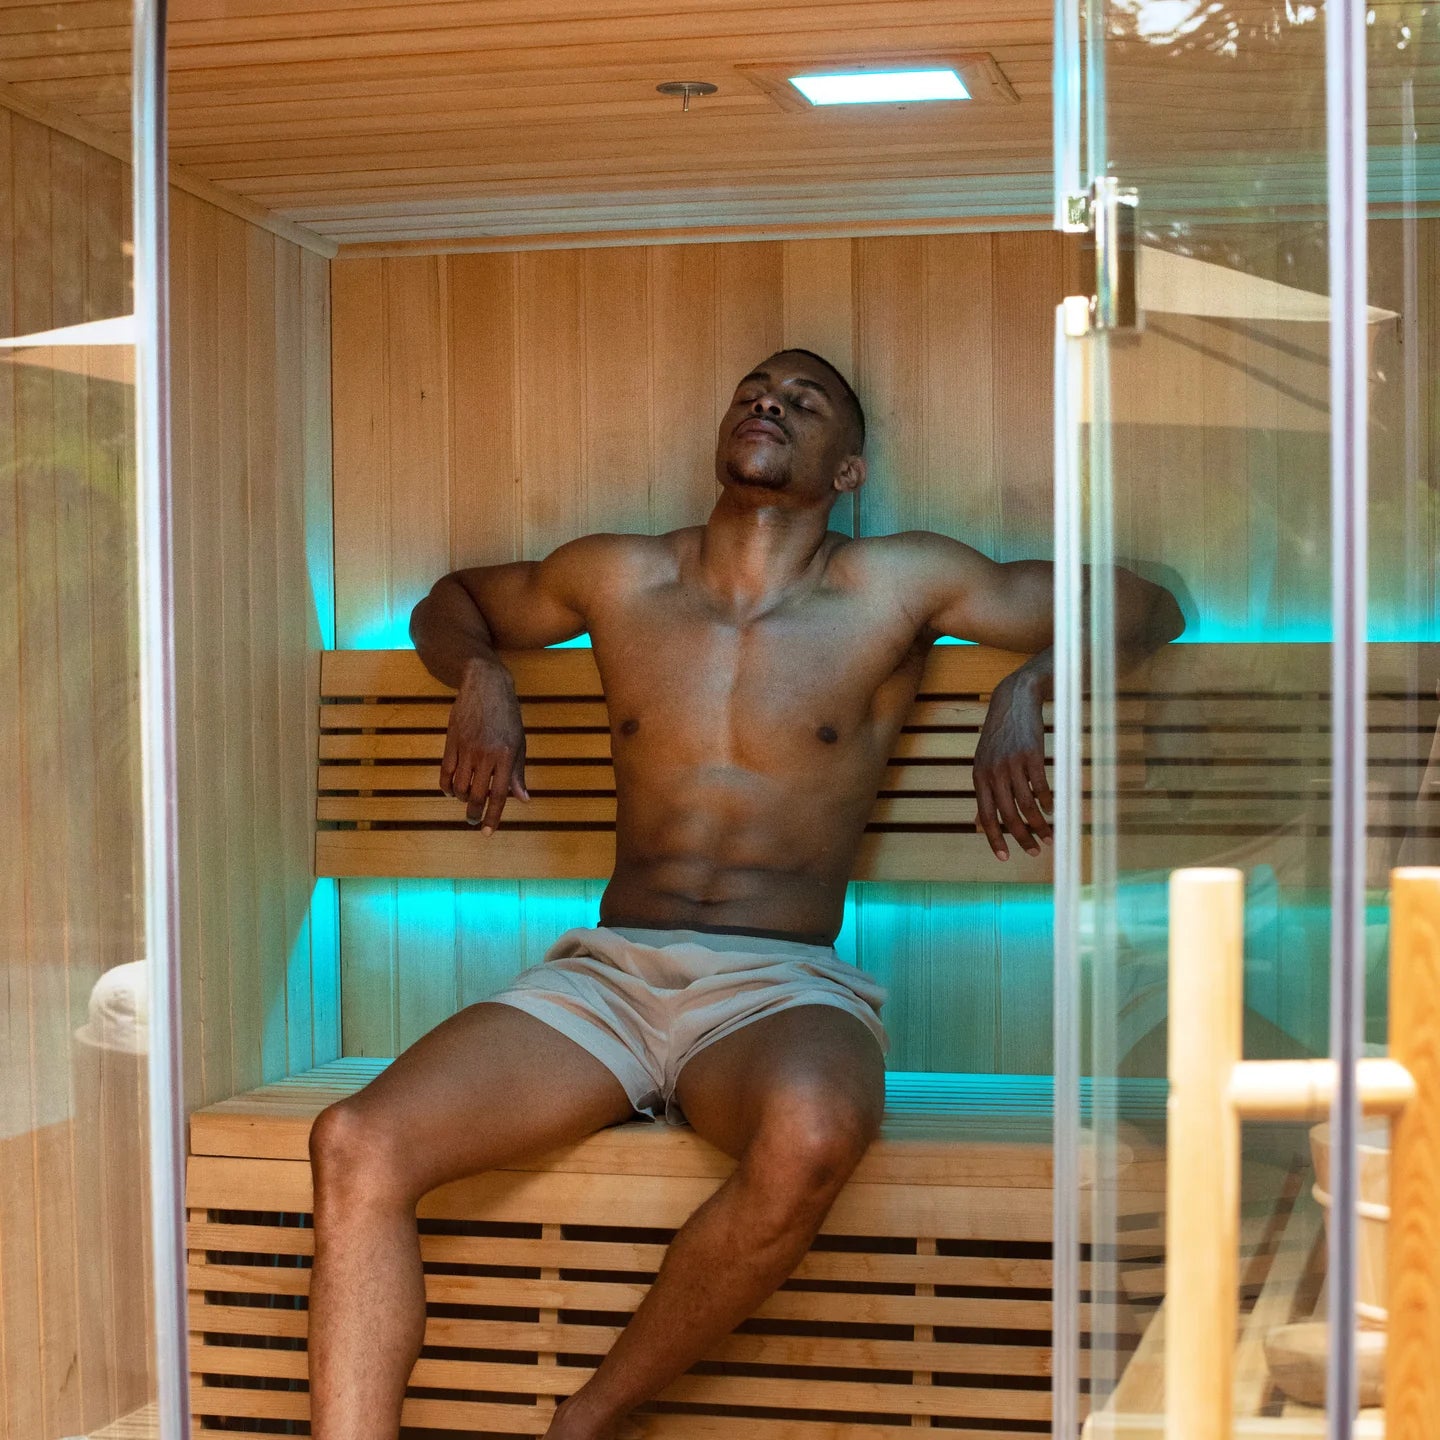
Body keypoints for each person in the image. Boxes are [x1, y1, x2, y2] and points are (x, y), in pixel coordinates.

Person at [306, 348, 1184, 1440]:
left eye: (805, 401)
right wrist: (481, 675)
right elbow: (455, 602)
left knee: (813, 1134)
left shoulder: (899, 584)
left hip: (776, 990)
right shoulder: (620, 577)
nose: (770, 402)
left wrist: (1031, 682)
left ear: (848, 470)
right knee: (356, 1142)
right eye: (754, 392)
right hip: (609, 979)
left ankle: (587, 1422)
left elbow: (1147, 607)